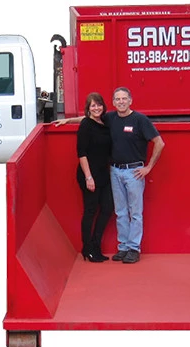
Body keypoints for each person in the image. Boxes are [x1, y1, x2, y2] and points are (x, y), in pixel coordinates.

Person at [55, 87, 164, 264]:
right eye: (118, 99)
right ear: (113, 103)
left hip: (134, 172)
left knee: (135, 212)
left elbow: (159, 142)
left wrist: (149, 167)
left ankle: (133, 248)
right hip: (114, 171)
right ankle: (123, 247)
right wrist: (67, 120)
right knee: (120, 212)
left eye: (124, 99)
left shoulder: (140, 120)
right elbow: (89, 119)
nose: (121, 102)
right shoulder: (111, 118)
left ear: (130, 100)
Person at [75, 92, 112, 262]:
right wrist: (89, 178)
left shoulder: (105, 122)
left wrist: (68, 120)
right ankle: (87, 248)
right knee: (90, 211)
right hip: (89, 174)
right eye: (93, 105)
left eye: (99, 105)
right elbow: (81, 153)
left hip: (104, 174)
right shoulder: (86, 125)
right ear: (88, 109)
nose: (96, 108)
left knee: (107, 208)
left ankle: (96, 245)